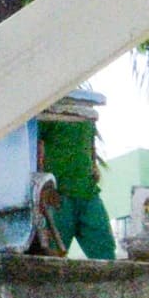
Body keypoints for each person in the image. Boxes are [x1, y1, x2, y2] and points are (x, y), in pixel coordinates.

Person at [36, 100, 115, 261]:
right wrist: (44, 187)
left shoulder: (85, 109)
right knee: (53, 258)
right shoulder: (50, 111)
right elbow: (35, 148)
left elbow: (91, 143)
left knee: (106, 253)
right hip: (58, 197)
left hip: (89, 194)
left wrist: (93, 166)